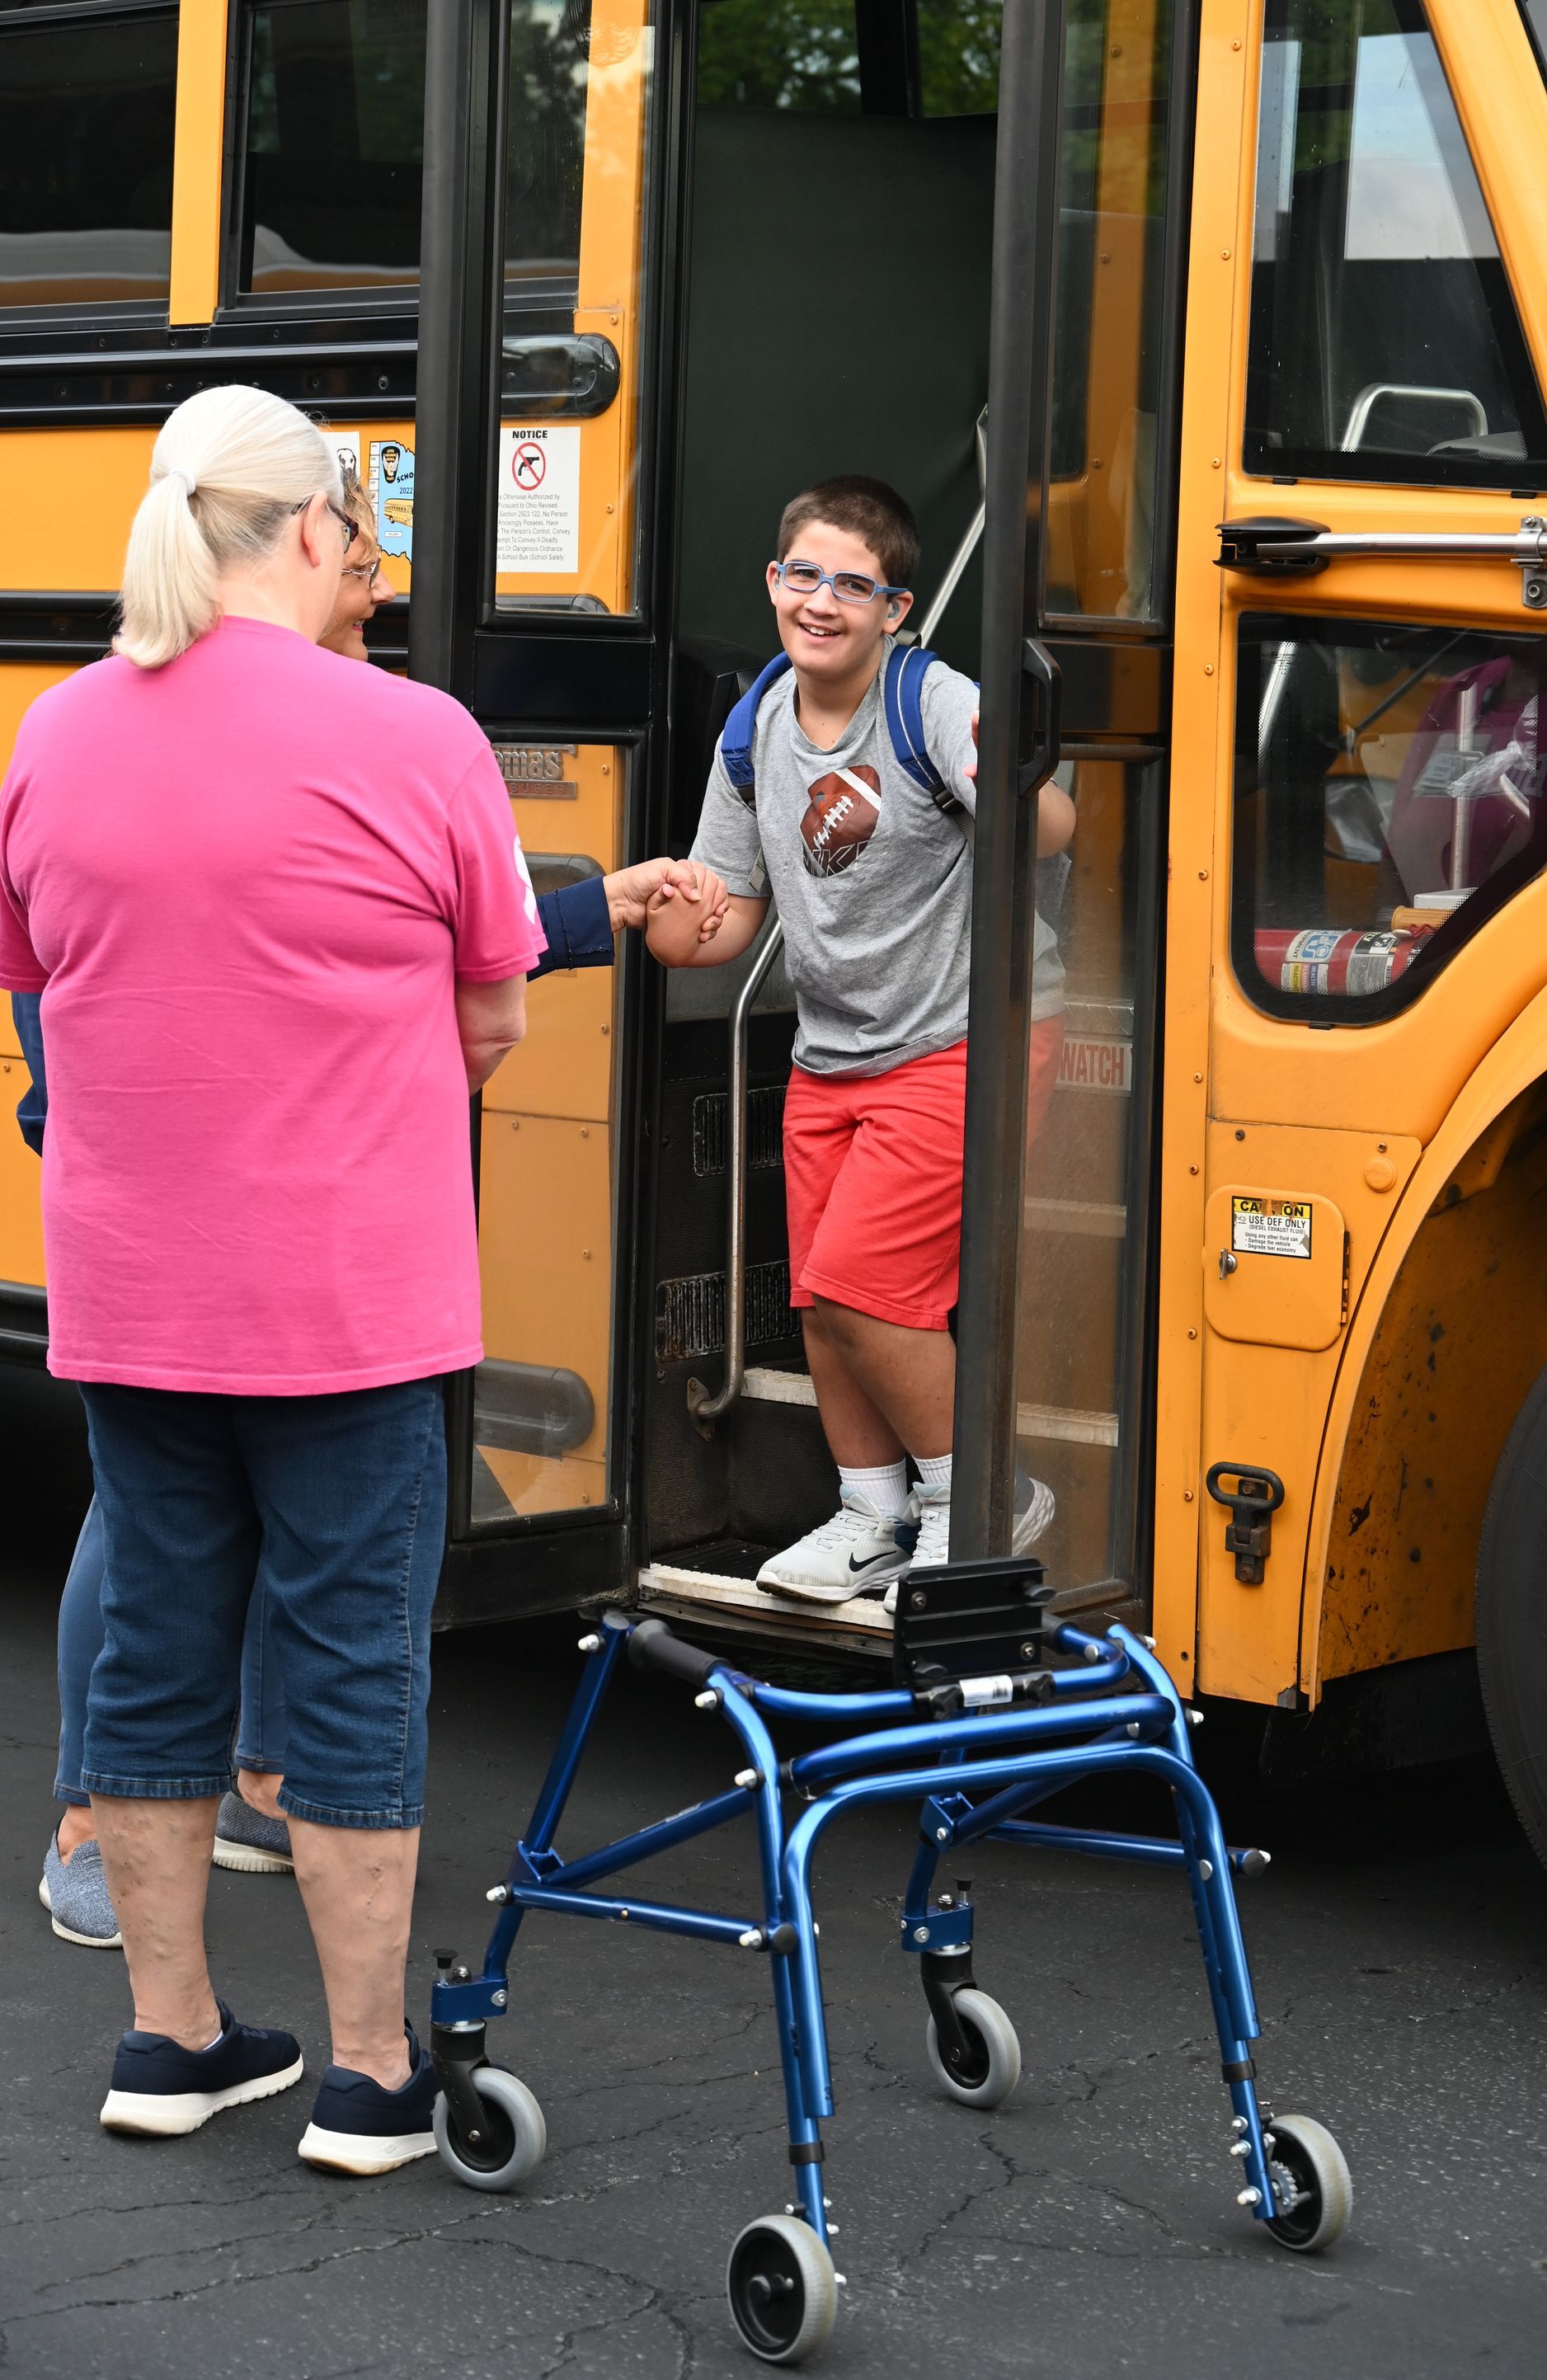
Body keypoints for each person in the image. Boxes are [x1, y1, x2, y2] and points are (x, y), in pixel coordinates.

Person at [0, 383, 724, 2170]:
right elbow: (487, 1012)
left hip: (130, 1301)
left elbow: (48, 989)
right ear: (320, 529)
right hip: (346, 1301)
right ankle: (367, 2073)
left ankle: (168, 2046)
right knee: (344, 1676)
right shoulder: (416, 739)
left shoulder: (56, 733)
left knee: (157, 1668)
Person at [27, 466, 402, 1950]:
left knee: (206, 1514)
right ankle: (82, 1820)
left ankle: (248, 1782)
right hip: (186, 1194)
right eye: (361, 550)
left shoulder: (333, 715)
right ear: (298, 539)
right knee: (150, 1529)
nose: (374, 577)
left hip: (207, 1191)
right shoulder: (123, 724)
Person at [645, 475, 1074, 1604]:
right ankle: (872, 1511)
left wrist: (1016, 784)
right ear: (772, 585)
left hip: (962, 1035)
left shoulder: (930, 700)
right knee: (821, 1304)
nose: (821, 600)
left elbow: (1055, 820)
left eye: (852, 582)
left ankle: (979, 1500)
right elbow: (731, 915)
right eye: (802, 575)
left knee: (864, 1286)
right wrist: (672, 925)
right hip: (833, 1053)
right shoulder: (755, 724)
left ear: (897, 607)